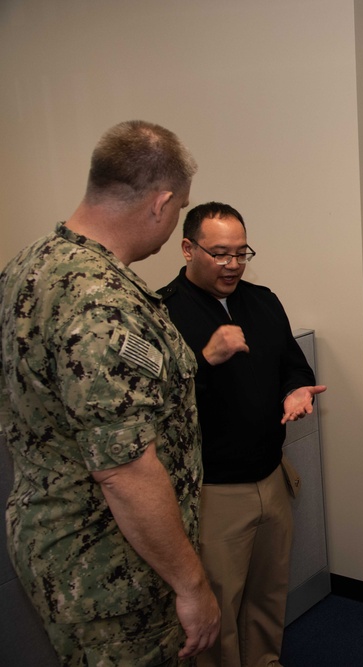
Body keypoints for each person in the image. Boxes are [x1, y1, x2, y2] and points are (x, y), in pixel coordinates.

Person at [0, 120, 219, 664]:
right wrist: (192, 586)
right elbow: (124, 470)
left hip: (57, 539)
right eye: (178, 209)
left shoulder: (29, 264)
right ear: (161, 204)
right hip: (109, 570)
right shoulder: (103, 303)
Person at [160, 202, 326, 666]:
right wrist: (203, 360)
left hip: (271, 475)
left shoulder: (262, 300)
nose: (233, 265)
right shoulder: (163, 314)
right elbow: (154, 408)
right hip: (213, 491)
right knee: (217, 607)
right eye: (220, 254)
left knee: (269, 594)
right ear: (188, 248)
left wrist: (296, 391)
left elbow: (293, 363)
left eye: (241, 253)